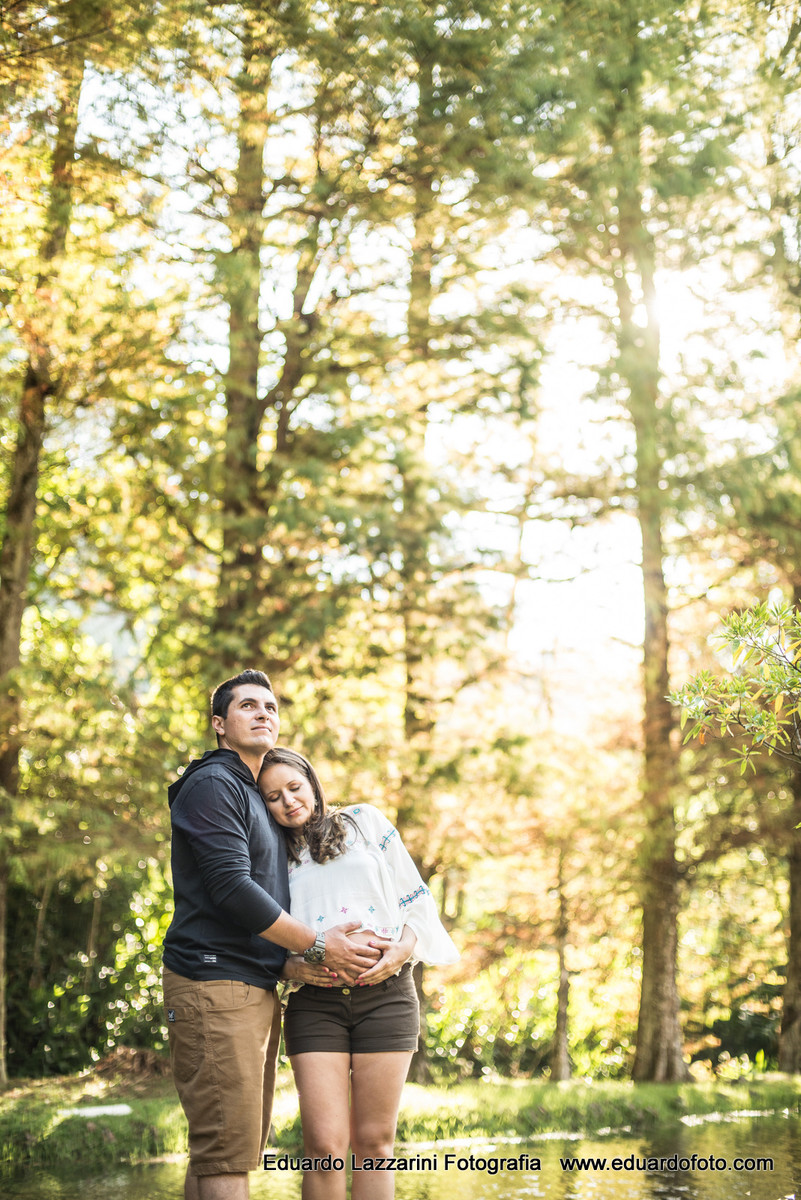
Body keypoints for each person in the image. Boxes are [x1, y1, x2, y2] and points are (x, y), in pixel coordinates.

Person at [162, 670, 383, 1200]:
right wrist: (316, 943)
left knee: (223, 1150)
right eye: (247, 706)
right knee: (227, 1157)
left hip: (246, 985)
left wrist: (286, 963)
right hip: (214, 983)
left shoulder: (249, 793)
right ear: (219, 724)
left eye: (271, 706)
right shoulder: (214, 784)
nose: (264, 713)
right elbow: (232, 889)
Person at [258, 746, 459, 1200]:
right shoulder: (269, 855)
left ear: (312, 783)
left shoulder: (363, 822)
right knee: (324, 1145)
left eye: (294, 787)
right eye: (273, 797)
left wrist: (402, 950)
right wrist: (296, 967)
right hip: (316, 1005)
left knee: (374, 1143)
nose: (288, 801)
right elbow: (265, 935)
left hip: (387, 998)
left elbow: (416, 900)